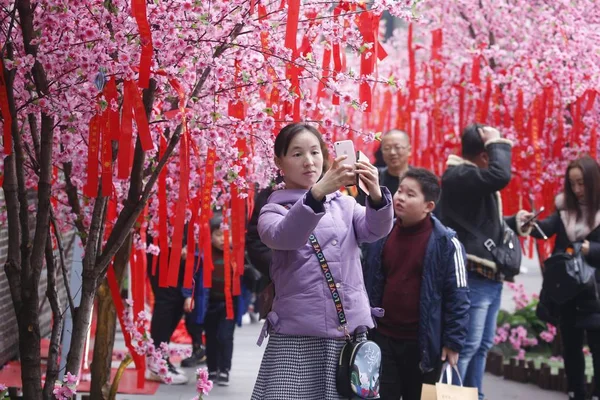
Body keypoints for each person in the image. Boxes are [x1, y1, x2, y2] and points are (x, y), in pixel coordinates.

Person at [251, 122, 394, 399]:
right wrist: (316, 194)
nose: (309, 162)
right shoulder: (273, 210)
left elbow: (375, 230)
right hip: (297, 336)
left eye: (315, 152)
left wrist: (375, 194)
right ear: (279, 161)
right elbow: (286, 236)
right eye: (297, 154)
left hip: (346, 334)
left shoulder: (345, 204)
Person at [437, 123, 531, 399]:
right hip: (472, 277)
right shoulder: (458, 174)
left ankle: (474, 395)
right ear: (485, 155)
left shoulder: (470, 176)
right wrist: (496, 140)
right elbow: (501, 175)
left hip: (488, 279)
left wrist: (514, 222)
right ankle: (453, 398)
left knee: (480, 346)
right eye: (492, 151)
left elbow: (480, 223)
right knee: (465, 348)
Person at [362, 168, 470, 400]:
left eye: (410, 195)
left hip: (424, 346)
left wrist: (453, 342)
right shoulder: (381, 233)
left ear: (428, 206)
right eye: (400, 190)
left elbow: (458, 296)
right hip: (383, 339)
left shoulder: (447, 243)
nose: (400, 197)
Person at [530, 156, 600, 400]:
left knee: (598, 349)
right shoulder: (564, 209)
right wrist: (527, 224)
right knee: (571, 349)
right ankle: (576, 393)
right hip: (568, 292)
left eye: (582, 183)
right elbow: (544, 229)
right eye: (572, 184)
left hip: (595, 293)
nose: (577, 190)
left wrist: (592, 249)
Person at [184, 212, 249, 386]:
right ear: (210, 235)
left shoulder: (237, 254)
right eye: (218, 235)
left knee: (226, 336)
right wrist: (188, 297)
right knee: (211, 337)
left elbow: (245, 279)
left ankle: (225, 369)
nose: (222, 239)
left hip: (230, 305)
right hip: (209, 304)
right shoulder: (203, 255)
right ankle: (212, 368)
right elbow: (192, 277)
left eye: (226, 235)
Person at [146, 230, 203, 385]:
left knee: (177, 300)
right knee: (167, 299)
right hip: (162, 242)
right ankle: (157, 360)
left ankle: (160, 358)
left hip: (178, 243)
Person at [357, 129, 411, 206]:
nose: (392, 152)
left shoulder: (420, 179)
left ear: (409, 150)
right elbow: (360, 207)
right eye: (387, 148)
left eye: (397, 147)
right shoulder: (372, 177)